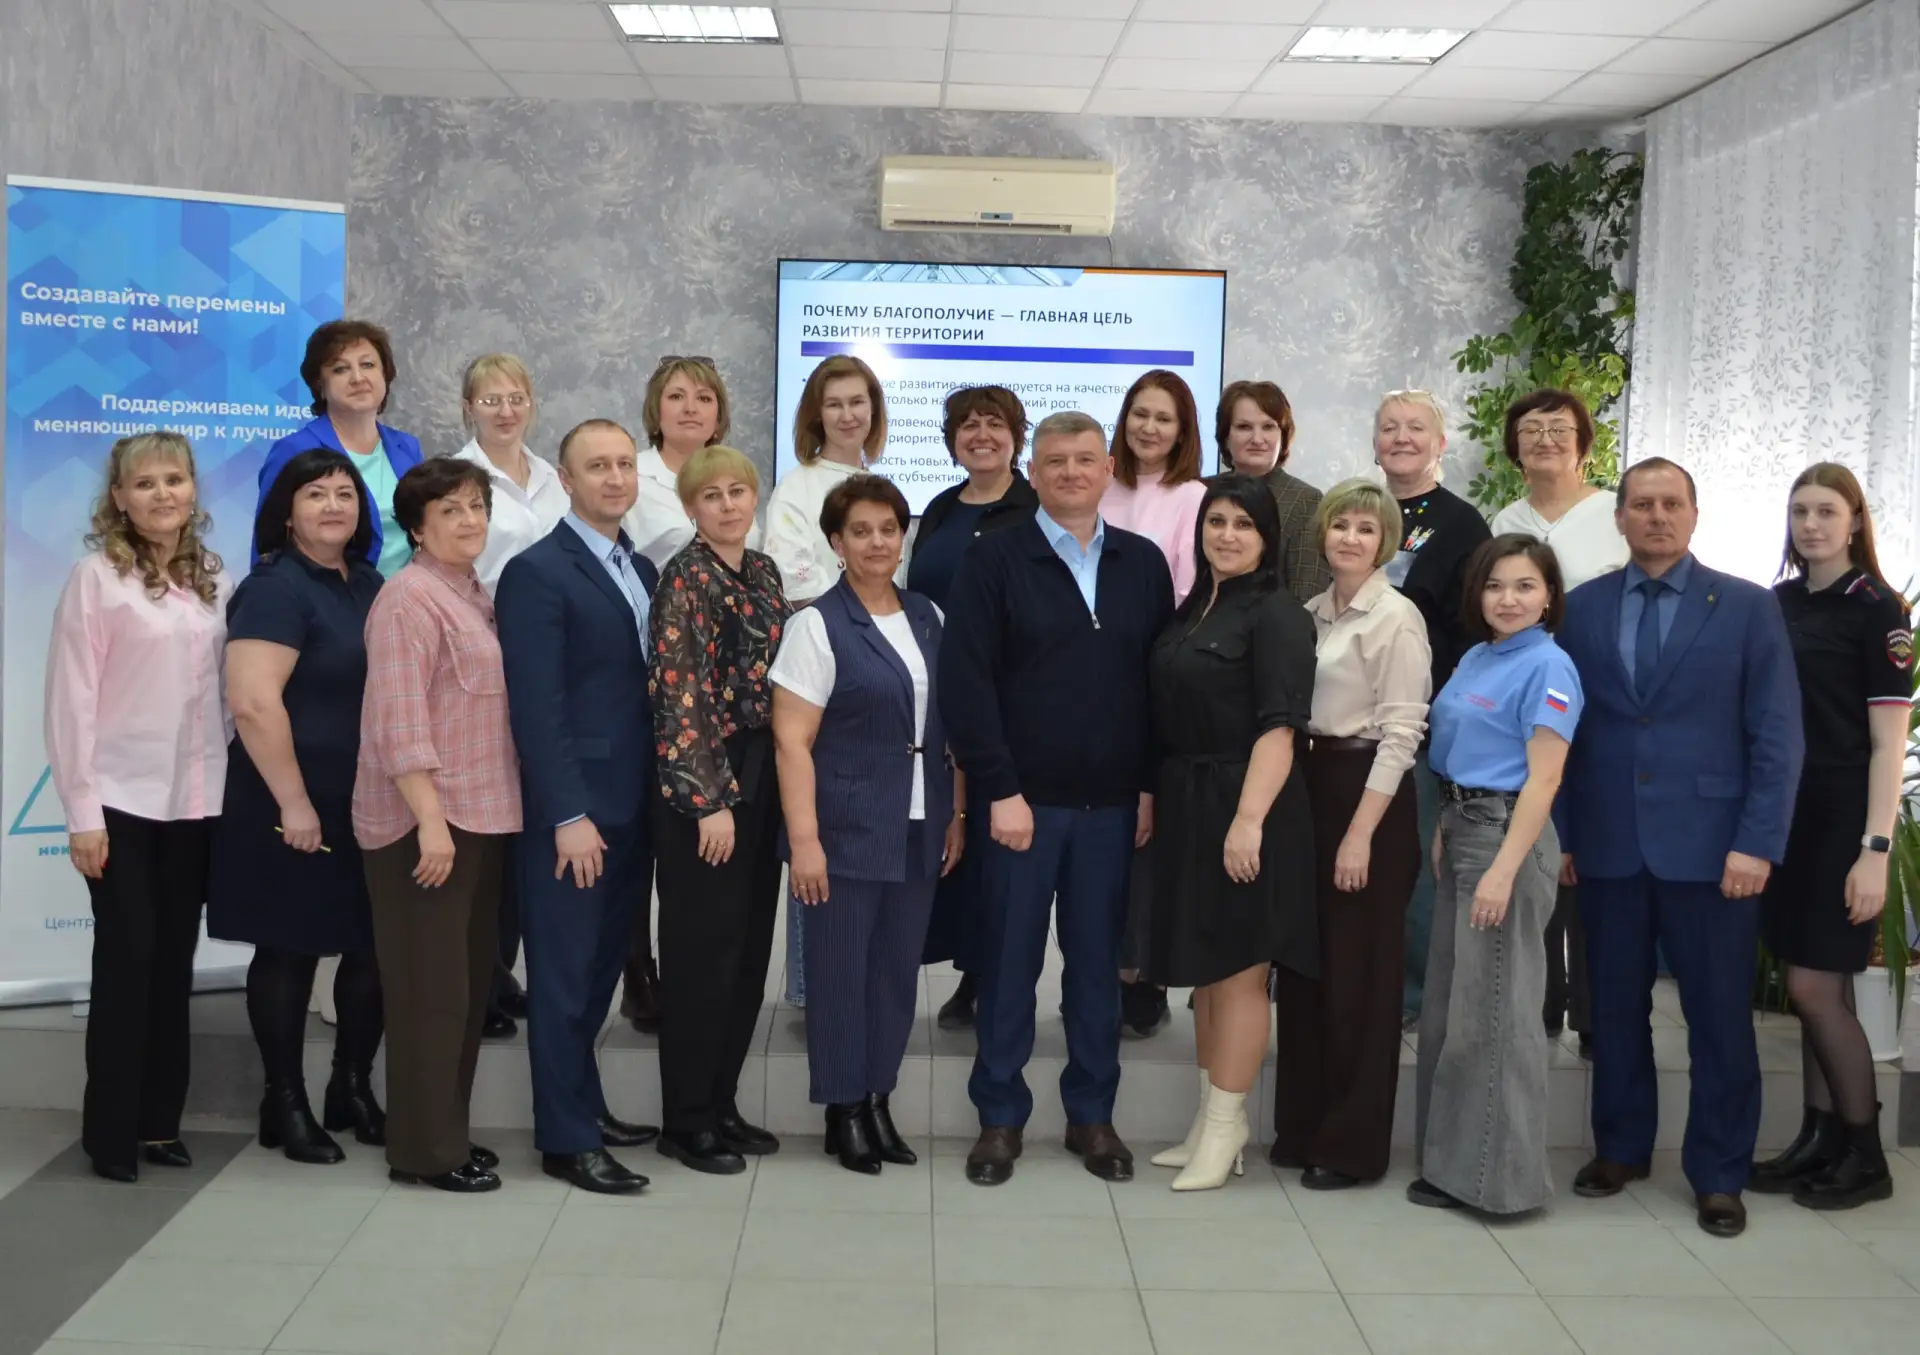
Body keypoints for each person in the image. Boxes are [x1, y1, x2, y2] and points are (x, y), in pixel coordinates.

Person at [1556, 457, 1802, 1239]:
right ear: (1619, 518)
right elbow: (1560, 731)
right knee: (1614, 1008)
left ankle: (1720, 1172)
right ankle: (1620, 1147)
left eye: (1671, 504)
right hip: (1608, 844)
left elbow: (1777, 735)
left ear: (1695, 514)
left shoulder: (1747, 607)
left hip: (1716, 851)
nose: (1657, 516)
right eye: (1642, 504)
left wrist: (1757, 842)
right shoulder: (1582, 608)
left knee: (1719, 1017)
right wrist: (1563, 833)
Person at [940, 411, 1174, 1187]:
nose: (1070, 471)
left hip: (1112, 808)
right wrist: (999, 788)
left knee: (1097, 967)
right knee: (1008, 963)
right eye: (1055, 461)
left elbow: (1156, 686)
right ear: (1032, 473)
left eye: (1084, 459)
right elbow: (966, 682)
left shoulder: (1143, 564)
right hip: (1022, 807)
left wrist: (1147, 784)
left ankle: (1091, 1116)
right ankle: (1000, 1116)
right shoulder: (994, 558)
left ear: (1108, 469)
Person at [46, 432, 230, 1183]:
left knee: (172, 964)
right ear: (119, 497)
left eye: (175, 479)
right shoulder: (96, 579)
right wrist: (82, 813)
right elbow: (71, 698)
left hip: (198, 804)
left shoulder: (211, 576)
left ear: (193, 490)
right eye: (145, 483)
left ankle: (160, 1123)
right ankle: (112, 1133)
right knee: (127, 964)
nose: (163, 494)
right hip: (120, 803)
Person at [771, 475, 964, 1173]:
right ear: (836, 542)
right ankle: (843, 1107)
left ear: (903, 537)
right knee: (839, 973)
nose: (877, 542)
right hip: (845, 828)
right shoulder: (817, 625)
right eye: (860, 531)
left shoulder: (928, 615)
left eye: (888, 529)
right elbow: (791, 740)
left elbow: (951, 727)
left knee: (894, 974)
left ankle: (879, 1096)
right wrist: (804, 842)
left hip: (920, 823)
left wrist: (956, 814)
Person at [495, 419, 662, 1195]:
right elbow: (538, 708)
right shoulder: (536, 572)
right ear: (565, 479)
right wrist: (566, 813)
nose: (615, 477)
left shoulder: (641, 568)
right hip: (575, 815)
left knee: (599, 972)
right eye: (597, 466)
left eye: (625, 464)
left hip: (634, 808)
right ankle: (564, 1139)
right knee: (563, 978)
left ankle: (585, 1106)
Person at [208, 450, 385, 1165]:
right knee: (289, 948)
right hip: (287, 798)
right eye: (315, 494)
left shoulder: (369, 583)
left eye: (346, 493)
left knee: (371, 945)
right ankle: (283, 1102)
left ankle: (351, 1086)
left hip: (363, 799)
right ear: (286, 512)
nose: (334, 505)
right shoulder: (274, 588)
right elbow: (253, 702)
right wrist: (294, 802)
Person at [353, 458, 522, 1193]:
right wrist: (429, 820)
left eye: (476, 505)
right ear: (416, 529)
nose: (469, 520)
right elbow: (399, 721)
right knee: (430, 996)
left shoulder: (471, 592)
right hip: (426, 826)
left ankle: (445, 1133)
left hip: (480, 815)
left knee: (463, 991)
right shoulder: (408, 599)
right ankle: (423, 1153)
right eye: (450, 510)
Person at [1143, 476, 1316, 1192]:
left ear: (1268, 537)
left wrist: (1248, 822)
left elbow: (1281, 729)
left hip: (1249, 804)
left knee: (1243, 970)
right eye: (1216, 521)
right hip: (1190, 800)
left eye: (1244, 524)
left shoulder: (1278, 614)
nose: (1227, 535)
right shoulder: (1195, 605)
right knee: (1208, 971)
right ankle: (1209, 1121)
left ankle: (1227, 1125)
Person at [1748, 463, 1909, 1210]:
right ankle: (1820, 1139)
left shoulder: (1878, 609)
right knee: (1810, 984)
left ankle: (1866, 1154)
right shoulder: (1779, 601)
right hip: (1788, 813)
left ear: (1855, 521)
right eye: (1800, 511)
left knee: (1817, 988)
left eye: (1826, 511)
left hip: (1846, 818)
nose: (1811, 525)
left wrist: (1874, 850)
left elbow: (1888, 745)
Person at [1410, 534, 1583, 1215]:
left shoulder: (1549, 666)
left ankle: (1501, 1185)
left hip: (1506, 838)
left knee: (1497, 1016)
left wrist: (1503, 871)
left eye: (1524, 586)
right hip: (1462, 827)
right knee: (1451, 1010)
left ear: (1549, 596)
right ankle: (1450, 1165)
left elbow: (1545, 780)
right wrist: (1441, 826)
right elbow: (1455, 747)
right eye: (1494, 585)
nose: (1507, 599)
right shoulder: (1479, 655)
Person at [1271, 477, 1431, 1190]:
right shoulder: (1311, 611)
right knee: (1308, 970)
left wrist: (1361, 833)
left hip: (1368, 796)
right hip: (1310, 787)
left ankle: (1352, 1147)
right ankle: (1302, 1127)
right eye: (1341, 525)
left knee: (1361, 979)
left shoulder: (1396, 618)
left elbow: (1402, 735)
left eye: (1367, 529)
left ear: (1385, 541)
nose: (1351, 538)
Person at [650, 446, 793, 1175]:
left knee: (745, 953)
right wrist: (709, 801)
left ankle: (722, 1103)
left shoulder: (763, 572)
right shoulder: (684, 578)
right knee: (701, 957)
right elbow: (680, 698)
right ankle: (686, 1120)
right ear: (691, 508)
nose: (729, 504)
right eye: (713, 495)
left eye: (739, 491)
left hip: (764, 778)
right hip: (705, 788)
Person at [619, 356, 761, 1035]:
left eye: (703, 397)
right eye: (675, 396)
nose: (689, 408)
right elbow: (683, 694)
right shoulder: (637, 483)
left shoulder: (754, 554)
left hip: (738, 742)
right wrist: (709, 796)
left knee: (729, 922)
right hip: (673, 716)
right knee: (679, 896)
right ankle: (640, 975)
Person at [1490, 390, 1630, 1058]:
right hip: (1527, 705)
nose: (1545, 438)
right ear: (1513, 447)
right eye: (1531, 429)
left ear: (1584, 444)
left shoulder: (1615, 514)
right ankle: (1541, 1003)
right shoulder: (1504, 520)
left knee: (1592, 856)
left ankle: (1596, 1013)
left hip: (1605, 706)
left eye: (1559, 428)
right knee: (1536, 839)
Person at [905, 385, 1039, 1032]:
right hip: (935, 695)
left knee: (996, 844)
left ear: (1016, 436)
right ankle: (967, 966)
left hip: (1008, 699)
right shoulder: (938, 508)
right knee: (950, 834)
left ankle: (992, 977)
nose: (980, 434)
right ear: (951, 438)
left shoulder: (1034, 509)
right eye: (967, 424)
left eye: (994, 423)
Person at [764, 354, 891, 1012]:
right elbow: (791, 581)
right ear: (816, 414)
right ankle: (811, 985)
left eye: (858, 402)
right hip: (826, 670)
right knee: (817, 819)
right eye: (835, 403)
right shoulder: (798, 486)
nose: (848, 414)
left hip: (877, 675)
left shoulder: (878, 483)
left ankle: (853, 975)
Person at [451, 353, 569, 1040]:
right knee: (486, 827)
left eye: (515, 396)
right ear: (468, 408)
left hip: (547, 664)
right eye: (490, 399)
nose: (505, 410)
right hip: (480, 666)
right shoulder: (457, 480)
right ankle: (482, 979)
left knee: (526, 824)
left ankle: (504, 970)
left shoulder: (554, 478)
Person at [1373, 390, 1491, 1030]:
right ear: (1375, 444)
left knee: (1414, 863)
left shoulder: (1462, 525)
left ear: (1439, 445)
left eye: (1415, 428)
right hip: (1351, 723)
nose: (1401, 437)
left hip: (1420, 724)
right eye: (1389, 427)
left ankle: (1412, 992)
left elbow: (1475, 634)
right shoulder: (1359, 511)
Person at [1101, 369, 1208, 1038]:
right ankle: (1101, 970)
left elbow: (1190, 593)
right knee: (1106, 835)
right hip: (1094, 679)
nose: (1148, 427)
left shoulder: (1194, 496)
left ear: (1182, 429)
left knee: (1149, 836)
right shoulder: (1101, 485)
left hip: (1158, 677)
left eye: (1163, 417)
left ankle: (1142, 975)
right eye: (1139, 413)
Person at [256, 319, 423, 578]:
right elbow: (267, 544)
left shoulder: (407, 447)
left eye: (368, 365)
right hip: (327, 597)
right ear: (320, 385)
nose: (358, 378)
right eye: (341, 369)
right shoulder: (294, 450)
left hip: (406, 596)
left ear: (385, 376)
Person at [1216, 379, 1329, 605]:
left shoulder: (1305, 500)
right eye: (1244, 427)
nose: (1257, 439)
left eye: (1268, 427)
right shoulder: (1203, 491)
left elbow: (1307, 596)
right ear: (1225, 437)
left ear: (1283, 435)